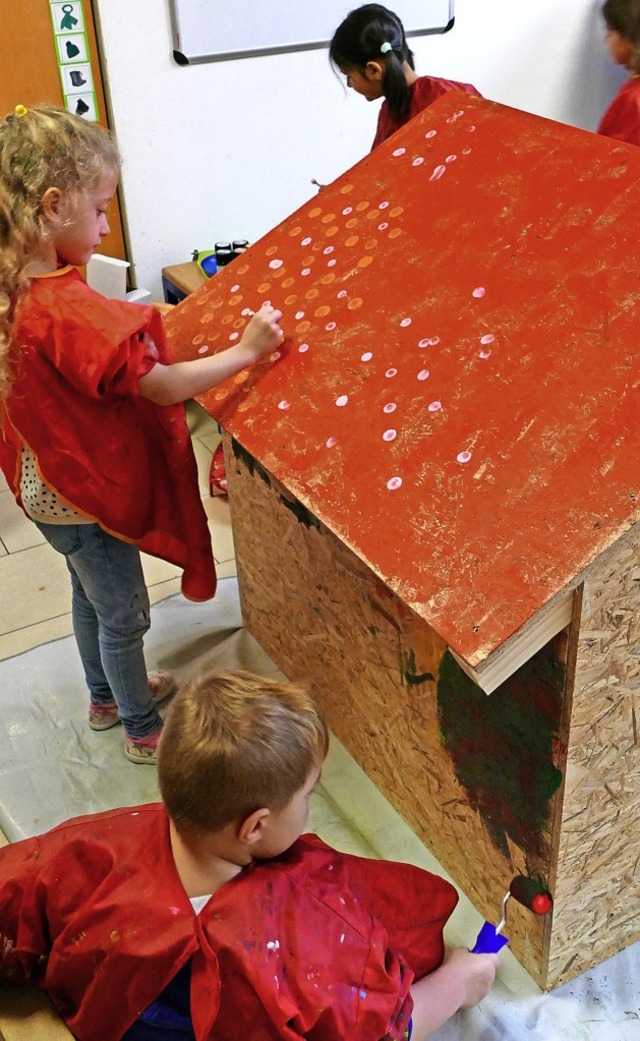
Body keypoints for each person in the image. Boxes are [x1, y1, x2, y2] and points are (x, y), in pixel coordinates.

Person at [0, 105, 283, 765]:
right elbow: (160, 385)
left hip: (42, 489)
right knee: (125, 614)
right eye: (99, 209)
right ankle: (137, 724)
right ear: (51, 206)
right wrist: (246, 351)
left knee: (85, 592)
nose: (104, 224)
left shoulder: (16, 285)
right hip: (83, 497)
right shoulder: (63, 309)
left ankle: (103, 696)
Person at [0, 669, 499, 1041]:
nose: (310, 806)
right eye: (308, 795)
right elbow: (381, 1030)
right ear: (255, 826)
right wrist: (460, 981)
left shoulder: (97, 843)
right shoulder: (288, 934)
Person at [329, 4, 481, 151]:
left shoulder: (449, 98)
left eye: (348, 76)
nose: (349, 84)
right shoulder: (390, 109)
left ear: (373, 70)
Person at [598, 0, 640, 144]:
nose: (606, 39)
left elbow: (616, 156)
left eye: (609, 31)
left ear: (630, 38)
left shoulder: (633, 99)